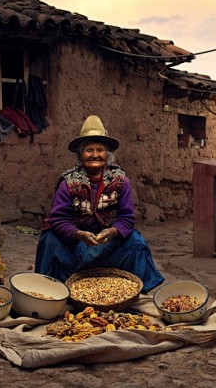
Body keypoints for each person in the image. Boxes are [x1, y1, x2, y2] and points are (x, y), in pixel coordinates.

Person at [34, 115, 164, 294]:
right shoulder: (68, 182)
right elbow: (58, 219)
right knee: (50, 240)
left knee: (136, 241)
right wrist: (78, 234)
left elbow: (126, 218)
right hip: (75, 246)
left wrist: (112, 231)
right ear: (81, 155)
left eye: (100, 150)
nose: (95, 155)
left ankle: (137, 292)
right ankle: (52, 291)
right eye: (89, 150)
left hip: (106, 246)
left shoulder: (120, 181)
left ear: (107, 154)